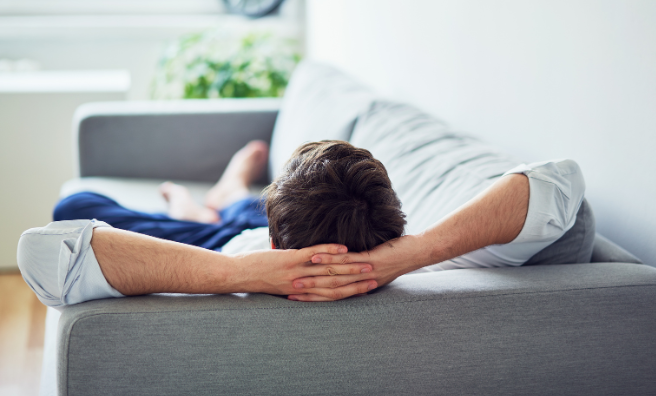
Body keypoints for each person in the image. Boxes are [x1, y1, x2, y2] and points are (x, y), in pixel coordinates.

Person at [17, 139, 586, 305]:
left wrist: (241, 273)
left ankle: (207, 199)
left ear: (274, 239)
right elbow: (560, 183)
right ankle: (227, 192)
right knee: (229, 210)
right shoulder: (442, 261)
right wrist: (411, 254)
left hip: (221, 249)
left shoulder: (241, 271)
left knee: (77, 202)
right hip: (246, 237)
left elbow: (45, 250)